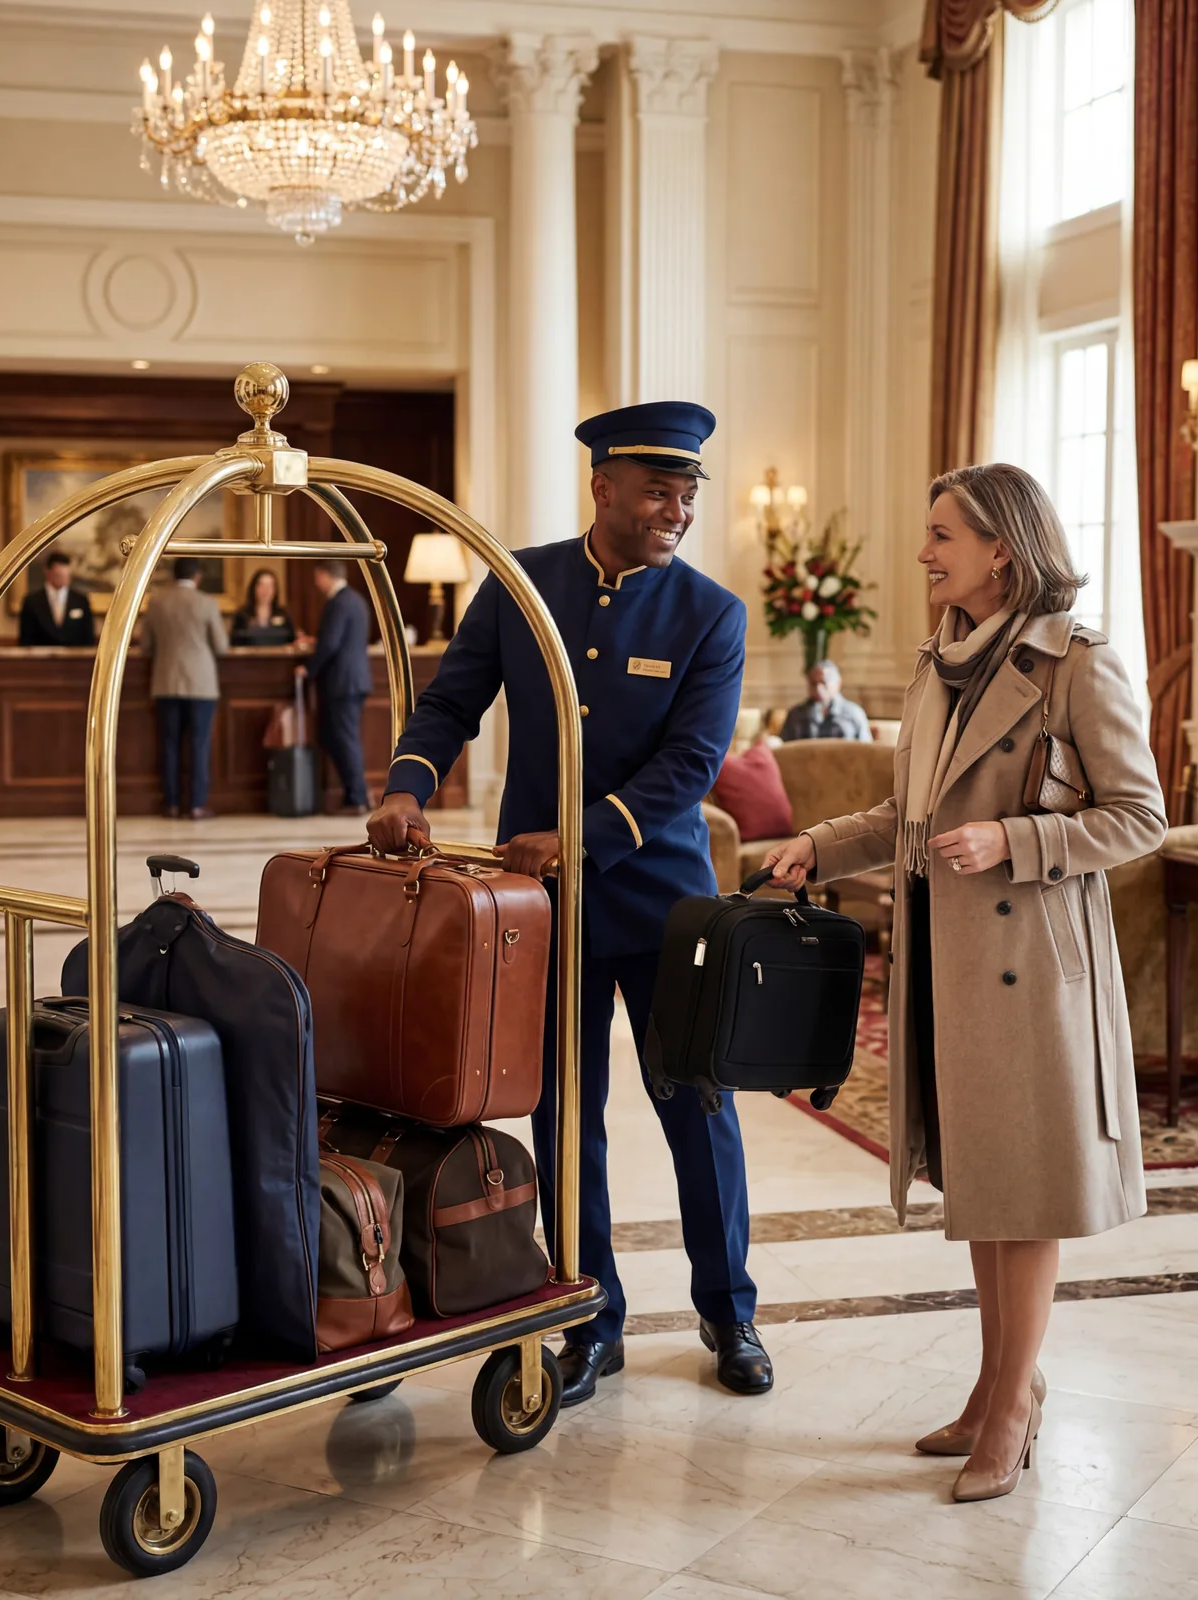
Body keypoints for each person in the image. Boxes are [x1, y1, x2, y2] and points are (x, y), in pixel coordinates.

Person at [762, 463, 1165, 1502]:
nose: (923, 551)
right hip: (946, 964)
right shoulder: (938, 659)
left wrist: (1017, 838)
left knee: (1022, 1197)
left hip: (1034, 968)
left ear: (1003, 548)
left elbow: (1137, 817)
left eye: (941, 534)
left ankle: (1015, 1406)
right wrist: (816, 844)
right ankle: (994, 1390)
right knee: (984, 1188)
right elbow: (909, 819)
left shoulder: (1079, 662)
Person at [367, 401, 771, 1405]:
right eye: (656, 491)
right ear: (602, 486)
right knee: (564, 1116)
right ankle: (591, 1316)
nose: (676, 509)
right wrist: (408, 783)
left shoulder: (711, 615)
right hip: (545, 912)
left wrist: (581, 834)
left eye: (687, 495)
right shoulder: (521, 583)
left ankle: (731, 1312)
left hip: (666, 904)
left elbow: (689, 765)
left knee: (697, 1112)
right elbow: (451, 700)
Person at [142, 557, 229, 819]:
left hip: (166, 681)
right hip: (201, 684)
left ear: (172, 576)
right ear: (198, 576)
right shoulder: (207, 603)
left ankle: (170, 804)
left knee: (169, 745)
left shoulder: (156, 602)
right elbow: (222, 647)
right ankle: (196, 805)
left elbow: (145, 646)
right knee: (199, 745)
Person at [301, 561, 373, 815]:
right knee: (339, 738)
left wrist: (308, 669)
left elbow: (331, 643)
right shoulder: (355, 599)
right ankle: (358, 794)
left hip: (342, 682)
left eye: (317, 577)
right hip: (353, 680)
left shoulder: (338, 602)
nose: (315, 583)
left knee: (344, 740)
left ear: (324, 575)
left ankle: (357, 798)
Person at [780, 659, 871, 742]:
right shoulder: (796, 715)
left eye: (823, 682)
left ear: (838, 684)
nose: (818, 688)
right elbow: (783, 749)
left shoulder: (853, 713)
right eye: (813, 683)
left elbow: (866, 748)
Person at [18, 551, 96, 647]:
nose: (64, 579)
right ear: (47, 572)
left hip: (75, 660)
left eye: (66, 576)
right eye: (59, 575)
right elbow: (26, 641)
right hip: (41, 659)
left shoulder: (81, 601)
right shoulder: (32, 602)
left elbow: (88, 639)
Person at [231, 568, 302, 646]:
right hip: (251, 657)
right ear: (254, 588)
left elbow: (292, 641)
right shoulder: (242, 616)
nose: (266, 590)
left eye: (270, 586)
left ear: (275, 590)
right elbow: (234, 643)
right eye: (262, 585)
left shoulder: (284, 615)